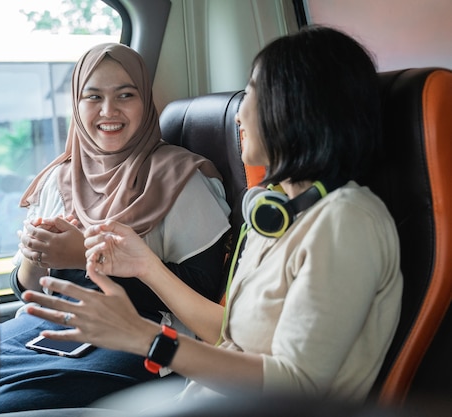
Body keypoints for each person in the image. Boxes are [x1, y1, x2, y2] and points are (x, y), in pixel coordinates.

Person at [21, 26, 403, 408]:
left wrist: (144, 337)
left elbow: (296, 387)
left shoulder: (347, 222)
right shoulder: (278, 213)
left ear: (296, 107)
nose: (241, 112)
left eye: (253, 93)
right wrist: (144, 265)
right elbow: (225, 335)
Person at [0, 43, 232, 412]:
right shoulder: (59, 178)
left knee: (11, 404)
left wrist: (84, 257)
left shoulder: (181, 178)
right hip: (52, 323)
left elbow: (201, 293)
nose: (109, 111)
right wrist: (34, 255)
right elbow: (27, 287)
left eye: (126, 95)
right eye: (93, 97)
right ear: (76, 104)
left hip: (144, 335)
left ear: (145, 101)